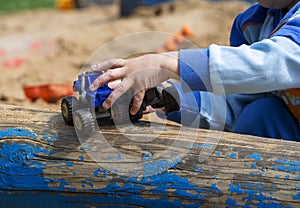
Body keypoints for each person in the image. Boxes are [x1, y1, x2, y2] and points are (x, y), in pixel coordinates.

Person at [89, 0, 300, 141]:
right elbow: (238, 100)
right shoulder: (254, 24)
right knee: (261, 115)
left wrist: (167, 63)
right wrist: (166, 98)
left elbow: (273, 62)